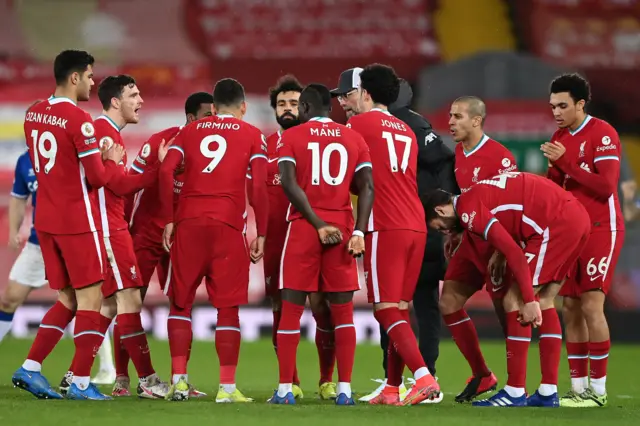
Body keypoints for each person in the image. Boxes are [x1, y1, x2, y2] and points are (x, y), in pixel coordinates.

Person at [334, 68, 453, 404]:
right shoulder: (405, 129)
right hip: (416, 224)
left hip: (385, 224)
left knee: (385, 310)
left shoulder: (357, 125)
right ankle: (391, 387)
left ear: (366, 94)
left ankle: (424, 378)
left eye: (351, 95)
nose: (347, 102)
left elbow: (348, 175)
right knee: (400, 309)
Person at [422, 171, 591, 408]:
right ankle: (547, 391)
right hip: (575, 217)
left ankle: (514, 391)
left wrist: (528, 300)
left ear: (440, 210)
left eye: (440, 227)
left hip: (555, 224)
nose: (444, 232)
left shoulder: (469, 210)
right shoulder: (474, 197)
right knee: (546, 300)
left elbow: (513, 252)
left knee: (515, 299)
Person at [13, 49, 125, 400]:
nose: (94, 82)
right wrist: (112, 160)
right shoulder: (81, 121)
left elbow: (43, 162)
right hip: (77, 221)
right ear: (74, 77)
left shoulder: (33, 113)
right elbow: (96, 177)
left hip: (45, 220)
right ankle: (80, 382)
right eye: (90, 75)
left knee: (68, 298)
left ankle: (30, 368)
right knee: (92, 298)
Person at [57, 75, 169, 399]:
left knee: (108, 305)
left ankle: (73, 375)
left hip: (107, 226)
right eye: (134, 95)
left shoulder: (108, 132)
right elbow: (117, 185)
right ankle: (147, 379)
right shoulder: (104, 132)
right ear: (116, 102)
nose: (141, 101)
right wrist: (158, 172)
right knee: (130, 300)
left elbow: (116, 178)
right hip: (109, 229)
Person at [159, 78, 269, 403]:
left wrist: (169, 219)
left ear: (214, 106)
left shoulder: (189, 131)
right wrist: (260, 232)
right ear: (244, 107)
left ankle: (179, 381)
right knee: (228, 309)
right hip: (227, 227)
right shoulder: (253, 135)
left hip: (188, 224)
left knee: (180, 303)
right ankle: (227, 388)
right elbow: (259, 187)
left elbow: (166, 171)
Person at [269, 83, 374, 406]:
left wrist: (316, 224)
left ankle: (286, 390)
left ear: (304, 108)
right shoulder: (354, 138)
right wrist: (358, 231)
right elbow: (368, 187)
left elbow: (287, 182)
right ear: (332, 109)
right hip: (342, 229)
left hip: (304, 228)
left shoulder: (292, 136)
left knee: (291, 311)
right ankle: (343, 390)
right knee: (342, 314)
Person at [117, 91, 214, 398]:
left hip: (180, 235)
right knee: (131, 302)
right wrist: (123, 227)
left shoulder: (213, 151)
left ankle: (179, 380)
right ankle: (122, 380)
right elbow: (130, 185)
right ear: (190, 118)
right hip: (145, 232)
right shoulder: (160, 141)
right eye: (208, 117)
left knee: (182, 303)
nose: (214, 124)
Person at [542, 73, 624, 408]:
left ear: (580, 104)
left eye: (563, 105)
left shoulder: (602, 133)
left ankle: (599, 391)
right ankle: (578, 389)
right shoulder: (560, 136)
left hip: (602, 227)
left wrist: (565, 163)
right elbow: (558, 185)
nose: (556, 112)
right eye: (552, 106)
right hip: (572, 230)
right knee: (571, 307)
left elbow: (606, 187)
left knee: (591, 304)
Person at [441, 96, 518, 403]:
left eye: (457, 116)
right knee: (448, 302)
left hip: (497, 244)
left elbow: (512, 206)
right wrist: (457, 231)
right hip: (472, 241)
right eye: (449, 115)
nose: (450, 122)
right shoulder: (458, 153)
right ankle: (483, 374)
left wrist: (502, 251)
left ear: (476, 120)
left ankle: (516, 388)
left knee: (506, 314)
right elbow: (467, 202)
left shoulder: (499, 157)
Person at [264, 75, 337, 400]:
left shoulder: (314, 142)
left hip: (312, 233)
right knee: (281, 309)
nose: (288, 109)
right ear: (274, 109)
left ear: (305, 107)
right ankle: (289, 381)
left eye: (294, 103)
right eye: (282, 104)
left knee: (322, 305)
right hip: (277, 241)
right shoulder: (264, 145)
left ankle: (326, 380)